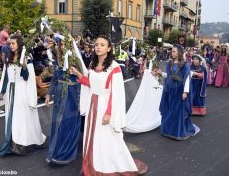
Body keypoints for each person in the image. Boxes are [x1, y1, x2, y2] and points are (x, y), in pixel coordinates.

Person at [70, 35, 147, 175]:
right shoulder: (92, 65)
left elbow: (115, 93)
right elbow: (91, 84)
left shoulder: (114, 67)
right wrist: (78, 74)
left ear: (109, 48)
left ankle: (108, 164)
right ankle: (94, 162)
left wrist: (109, 113)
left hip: (105, 106)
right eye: (97, 44)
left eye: (102, 45)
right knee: (94, 136)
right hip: (93, 105)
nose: (98, 47)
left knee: (107, 137)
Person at [0, 35, 46, 156]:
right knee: (11, 117)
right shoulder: (9, 57)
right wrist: (2, 91)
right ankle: (12, 142)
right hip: (11, 91)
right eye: (10, 44)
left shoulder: (26, 58)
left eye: (13, 43)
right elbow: (6, 77)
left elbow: (27, 78)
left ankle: (23, 142)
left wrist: (24, 66)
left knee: (21, 117)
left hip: (22, 91)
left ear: (19, 44)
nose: (11, 45)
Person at [45, 39, 81, 165]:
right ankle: (56, 151)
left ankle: (65, 153)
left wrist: (79, 100)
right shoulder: (58, 60)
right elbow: (55, 78)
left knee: (67, 123)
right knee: (57, 123)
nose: (63, 47)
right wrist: (49, 94)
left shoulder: (76, 59)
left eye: (65, 44)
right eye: (61, 44)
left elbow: (84, 77)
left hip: (71, 94)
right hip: (60, 94)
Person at [159, 44, 200, 140]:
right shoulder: (170, 63)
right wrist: (161, 73)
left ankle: (177, 132)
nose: (171, 53)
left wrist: (185, 92)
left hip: (179, 91)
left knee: (177, 112)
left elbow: (187, 79)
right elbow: (169, 76)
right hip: (169, 90)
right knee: (168, 110)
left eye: (174, 51)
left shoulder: (185, 65)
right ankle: (167, 130)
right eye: (171, 51)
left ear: (179, 53)